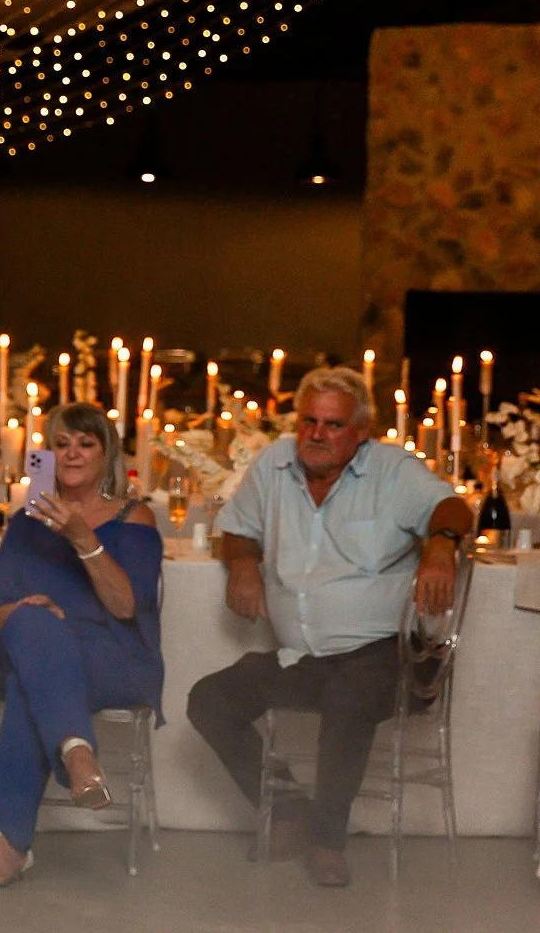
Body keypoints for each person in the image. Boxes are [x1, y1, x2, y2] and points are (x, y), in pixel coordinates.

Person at [187, 367, 468, 888]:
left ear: (360, 432)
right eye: (308, 422)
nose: (316, 434)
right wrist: (243, 561)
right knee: (211, 699)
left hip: (390, 656)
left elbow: (452, 506)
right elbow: (236, 530)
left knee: (349, 694)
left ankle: (327, 840)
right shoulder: (275, 464)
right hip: (305, 658)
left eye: (333, 425)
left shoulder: (391, 470)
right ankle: (290, 812)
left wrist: (442, 546)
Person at [0, 403, 163, 892]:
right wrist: (27, 611)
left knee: (31, 685)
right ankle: (77, 752)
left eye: (86, 444)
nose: (72, 453)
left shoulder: (135, 517)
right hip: (39, 649)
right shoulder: (27, 521)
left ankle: (11, 845)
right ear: (47, 454)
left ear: (106, 453)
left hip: (113, 656)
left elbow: (125, 606)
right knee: (34, 624)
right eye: (62, 443)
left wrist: (83, 538)